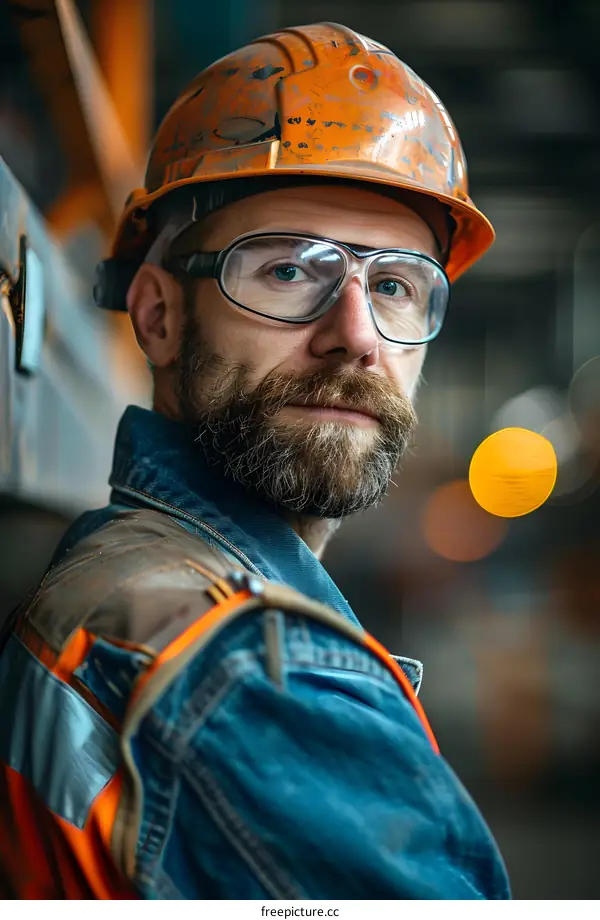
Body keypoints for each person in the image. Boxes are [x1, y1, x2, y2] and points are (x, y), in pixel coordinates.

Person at [0, 23, 510, 899]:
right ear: (158, 317)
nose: (355, 337)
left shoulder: (133, 585)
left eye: (394, 285)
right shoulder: (247, 672)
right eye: (285, 271)